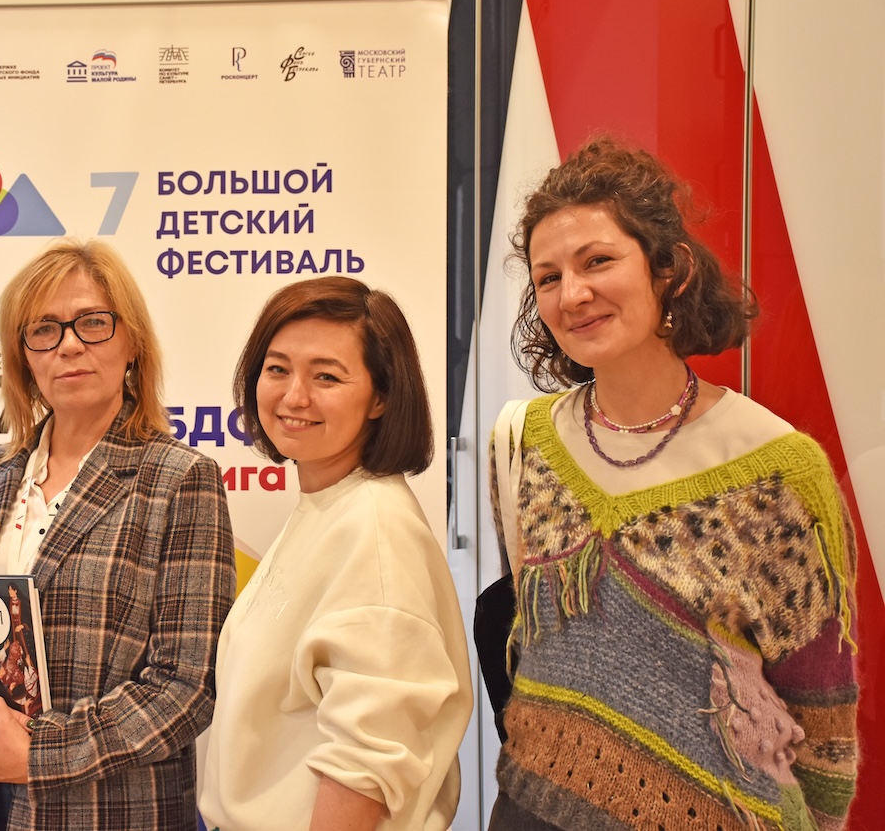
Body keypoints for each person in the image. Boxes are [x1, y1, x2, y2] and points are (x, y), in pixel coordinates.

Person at [487, 138, 858, 830]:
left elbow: (823, 729)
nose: (573, 294)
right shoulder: (522, 442)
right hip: (533, 807)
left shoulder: (776, 470)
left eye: (598, 261)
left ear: (670, 269)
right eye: (548, 277)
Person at [0, 238, 236, 830]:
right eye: (44, 329)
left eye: (93, 322)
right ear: (24, 358)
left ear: (132, 342)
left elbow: (186, 684)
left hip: (101, 811)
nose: (69, 344)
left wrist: (34, 755)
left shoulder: (180, 480)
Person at [200, 276, 473, 831]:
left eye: (326, 376)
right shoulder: (327, 506)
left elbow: (366, 765)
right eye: (278, 369)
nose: (294, 396)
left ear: (381, 397)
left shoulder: (375, 531)